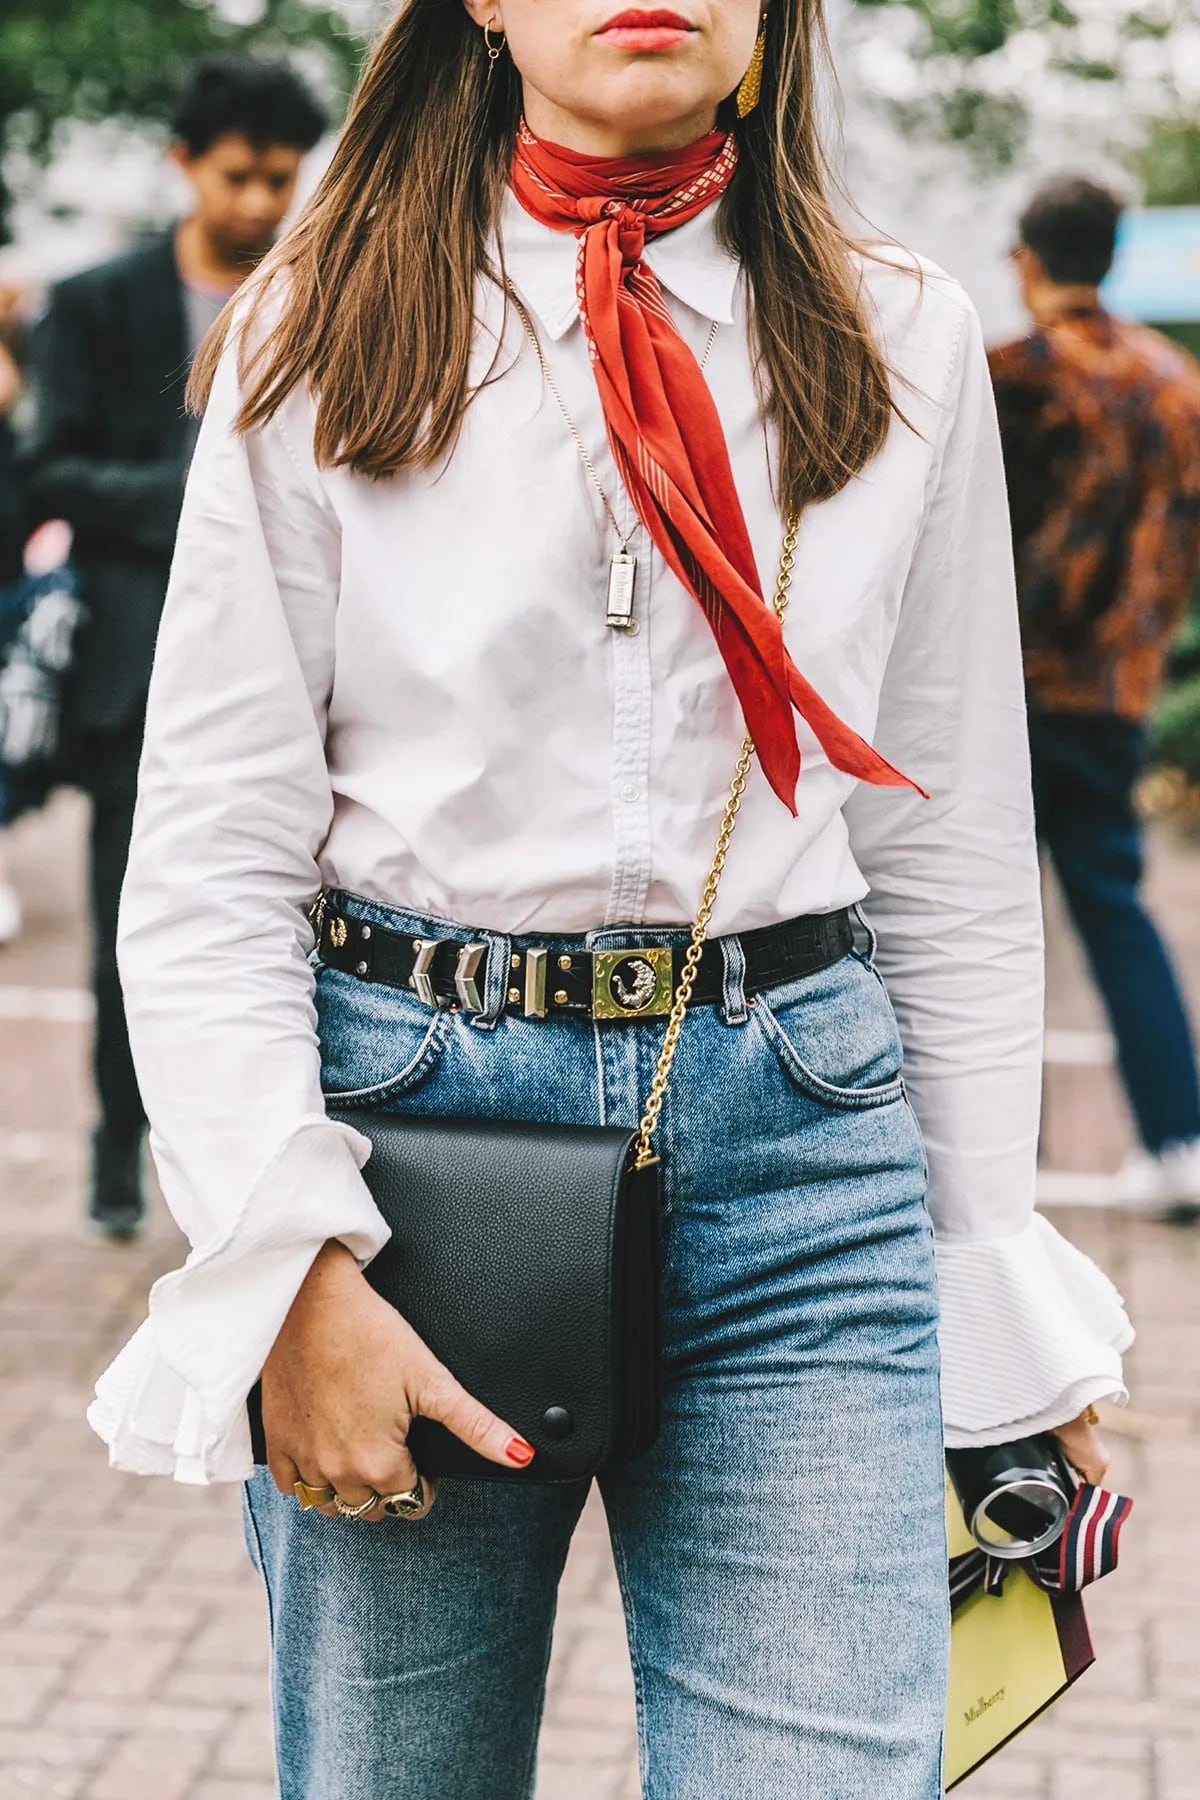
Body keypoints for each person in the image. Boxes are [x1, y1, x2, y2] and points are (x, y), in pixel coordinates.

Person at [88, 6, 1132, 1794]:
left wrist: (991, 1293)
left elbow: (948, 853)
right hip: (404, 1155)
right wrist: (286, 1268)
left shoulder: (906, 331)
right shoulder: (322, 322)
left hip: (804, 1157)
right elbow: (209, 845)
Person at [23, 58, 326, 1237]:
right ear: (185, 165)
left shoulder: (320, 293)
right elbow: (46, 471)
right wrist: (212, 499)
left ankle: (255, 1166)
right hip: (133, 677)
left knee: (288, 941)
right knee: (127, 936)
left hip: (296, 678)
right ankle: (115, 1152)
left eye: (282, 178)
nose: (260, 202)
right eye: (240, 175)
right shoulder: (96, 302)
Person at [990, 176, 1200, 1218]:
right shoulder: (1176, 383)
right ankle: (1180, 1140)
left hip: (1011, 689)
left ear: (1026, 257)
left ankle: (978, 1163)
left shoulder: (1012, 376)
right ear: (1112, 255)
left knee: (979, 925)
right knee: (1116, 914)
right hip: (1115, 694)